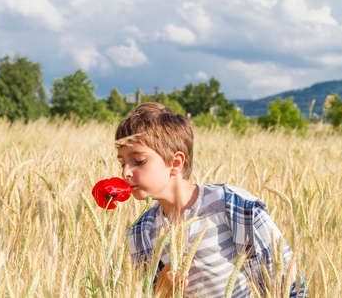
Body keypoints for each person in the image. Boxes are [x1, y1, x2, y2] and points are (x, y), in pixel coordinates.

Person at [115, 102, 306, 297]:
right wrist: (161, 290)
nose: (126, 172)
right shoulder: (140, 233)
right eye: (122, 162)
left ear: (175, 163)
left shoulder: (234, 207)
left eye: (138, 161)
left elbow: (290, 286)